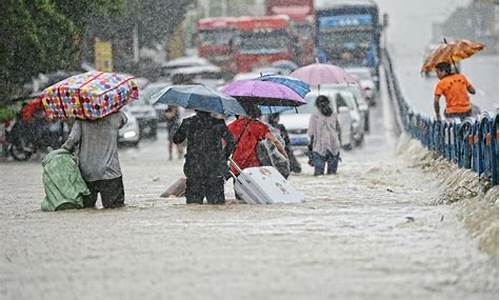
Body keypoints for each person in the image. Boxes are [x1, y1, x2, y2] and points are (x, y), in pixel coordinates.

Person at [62, 111, 127, 208]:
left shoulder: (81, 119)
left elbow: (72, 141)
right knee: (115, 210)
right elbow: (124, 120)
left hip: (87, 172)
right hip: (111, 173)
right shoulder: (115, 116)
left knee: (87, 209)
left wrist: (60, 152)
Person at [173, 110, 235, 204]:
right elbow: (231, 142)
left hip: (194, 170)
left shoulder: (188, 122)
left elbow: (177, 140)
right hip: (214, 170)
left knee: (194, 205)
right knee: (217, 206)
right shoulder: (218, 123)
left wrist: (180, 128)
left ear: (196, 109)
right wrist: (222, 157)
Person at [228, 104, 288, 175]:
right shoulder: (259, 126)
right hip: (255, 167)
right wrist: (285, 157)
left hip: (236, 166)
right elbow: (275, 142)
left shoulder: (232, 126)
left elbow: (223, 145)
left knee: (239, 184)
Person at [308, 95, 341, 176]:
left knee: (319, 176)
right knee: (332, 176)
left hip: (319, 147)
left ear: (317, 105)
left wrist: (311, 148)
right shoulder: (333, 115)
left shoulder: (314, 116)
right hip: (334, 147)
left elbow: (311, 133)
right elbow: (338, 129)